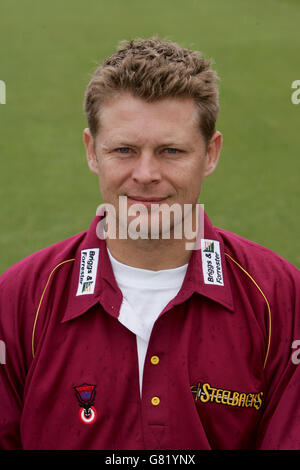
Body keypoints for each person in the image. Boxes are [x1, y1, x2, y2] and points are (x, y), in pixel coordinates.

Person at [0, 36, 300, 451]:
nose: (145, 174)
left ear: (211, 153)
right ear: (92, 151)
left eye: (171, 151)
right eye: (124, 149)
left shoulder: (280, 296)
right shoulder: (19, 299)